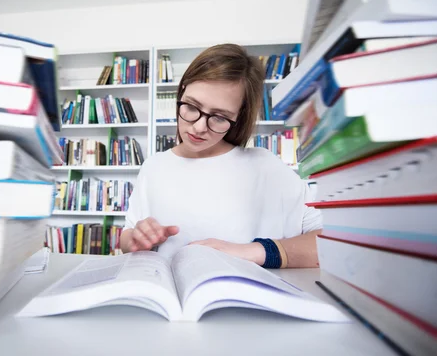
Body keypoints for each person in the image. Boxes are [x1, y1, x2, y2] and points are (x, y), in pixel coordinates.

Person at [120, 44, 322, 268]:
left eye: (219, 117)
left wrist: (253, 251)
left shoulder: (265, 167)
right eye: (191, 106)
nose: (198, 127)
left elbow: (331, 240)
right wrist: (137, 239)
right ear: (182, 91)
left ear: (239, 117)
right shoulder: (154, 166)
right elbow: (126, 239)